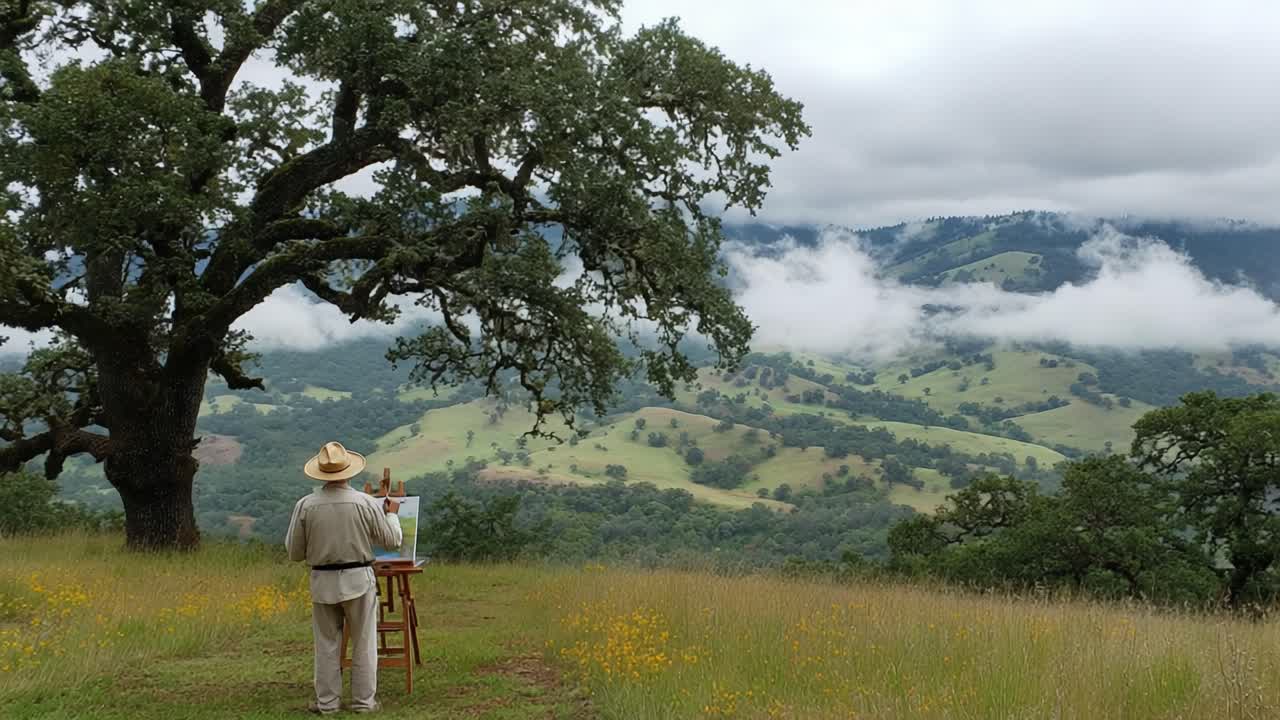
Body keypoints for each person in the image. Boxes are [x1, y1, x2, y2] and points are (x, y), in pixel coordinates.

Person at [286, 441, 404, 715]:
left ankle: (327, 703)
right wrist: (392, 516)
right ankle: (364, 702)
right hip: (359, 579)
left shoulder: (305, 505)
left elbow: (294, 552)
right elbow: (391, 541)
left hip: (322, 580)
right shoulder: (365, 503)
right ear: (348, 472)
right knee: (364, 642)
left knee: (326, 644)